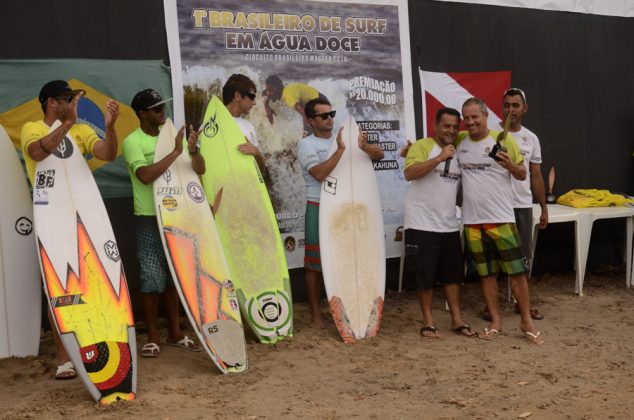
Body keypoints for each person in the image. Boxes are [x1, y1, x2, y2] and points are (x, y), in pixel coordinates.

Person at [21, 80, 120, 379]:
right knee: (59, 288)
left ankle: (97, 343)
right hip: (50, 214)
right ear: (52, 102)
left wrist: (111, 127)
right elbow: (39, 153)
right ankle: (65, 358)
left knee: (95, 279)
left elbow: (107, 153)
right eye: (68, 99)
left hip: (85, 211)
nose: (73, 104)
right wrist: (68, 124)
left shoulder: (83, 129)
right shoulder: (32, 127)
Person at [122, 89, 203, 357]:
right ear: (142, 114)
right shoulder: (133, 140)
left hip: (177, 213)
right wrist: (175, 153)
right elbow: (145, 175)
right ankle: (153, 336)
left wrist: (192, 150)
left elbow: (199, 169)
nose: (162, 112)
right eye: (156, 109)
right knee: (151, 276)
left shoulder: (171, 136)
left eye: (163, 107)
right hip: (147, 215)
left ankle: (176, 332)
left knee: (174, 275)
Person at [457, 97, 544, 345]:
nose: (471, 122)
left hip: (502, 219)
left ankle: (526, 320)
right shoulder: (461, 141)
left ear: (486, 116)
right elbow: (436, 141)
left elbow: (522, 173)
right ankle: (495, 320)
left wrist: (510, 165)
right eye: (467, 117)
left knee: (517, 273)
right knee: (486, 274)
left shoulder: (503, 140)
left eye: (475, 117)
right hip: (473, 222)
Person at [296, 98, 384, 328]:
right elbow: (318, 174)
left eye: (332, 114)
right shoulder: (307, 144)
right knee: (314, 264)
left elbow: (380, 156)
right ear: (311, 121)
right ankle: (316, 314)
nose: (330, 119)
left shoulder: (350, 137)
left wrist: (363, 147)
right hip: (318, 206)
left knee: (349, 256)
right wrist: (341, 150)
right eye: (324, 116)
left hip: (346, 206)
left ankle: (350, 306)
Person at [403, 107, 477, 339]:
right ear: (435, 125)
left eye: (456, 127)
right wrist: (438, 157)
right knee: (425, 276)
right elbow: (410, 173)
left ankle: (456, 319)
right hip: (421, 223)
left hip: (449, 223)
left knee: (452, 275)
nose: (451, 131)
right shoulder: (422, 146)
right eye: (446, 126)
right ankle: (428, 321)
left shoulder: (461, 145)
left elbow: (478, 134)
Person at [481, 88, 548, 322]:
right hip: (495, 205)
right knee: (495, 258)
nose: (511, 110)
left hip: (520, 205)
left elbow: (536, 175)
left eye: (515, 105)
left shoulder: (531, 138)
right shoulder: (490, 134)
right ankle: (492, 307)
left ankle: (523, 306)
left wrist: (543, 207)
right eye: (507, 105)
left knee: (522, 259)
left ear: (524, 108)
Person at [222, 74, 266, 174]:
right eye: (251, 97)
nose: (254, 103)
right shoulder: (211, 126)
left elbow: (261, 172)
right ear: (238, 96)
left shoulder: (249, 127)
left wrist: (257, 154)